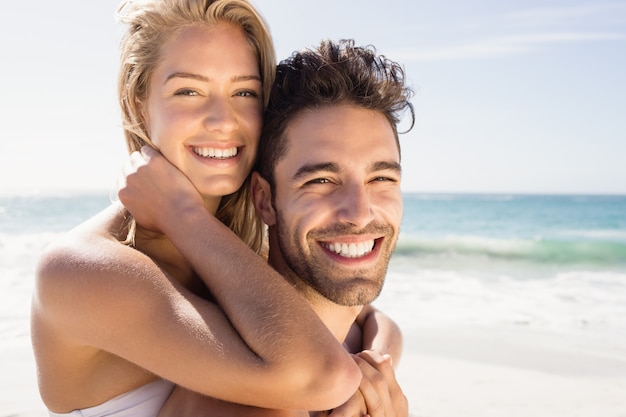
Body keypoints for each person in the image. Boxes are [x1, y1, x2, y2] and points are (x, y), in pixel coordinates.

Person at [31, 0, 402, 415]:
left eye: (244, 92)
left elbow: (366, 315)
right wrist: (181, 214)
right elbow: (321, 374)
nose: (222, 120)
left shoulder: (230, 252)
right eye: (189, 91)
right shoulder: (80, 269)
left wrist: (373, 367)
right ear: (139, 102)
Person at [119, 38, 414, 417]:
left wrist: (374, 363)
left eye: (381, 179)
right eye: (321, 181)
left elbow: (371, 316)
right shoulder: (248, 398)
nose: (359, 213)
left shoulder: (356, 343)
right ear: (263, 199)